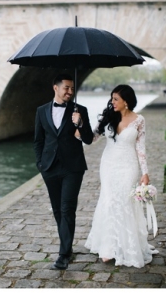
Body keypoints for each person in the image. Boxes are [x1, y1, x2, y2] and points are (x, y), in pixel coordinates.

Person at [84, 84, 157, 267]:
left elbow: (141, 149)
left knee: (124, 202)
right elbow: (91, 139)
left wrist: (145, 173)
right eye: (111, 98)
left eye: (116, 98)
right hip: (108, 165)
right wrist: (78, 125)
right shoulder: (109, 117)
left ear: (126, 101)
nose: (112, 102)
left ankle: (127, 247)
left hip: (128, 166)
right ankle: (108, 247)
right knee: (108, 200)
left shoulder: (139, 120)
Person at [33, 74, 94, 270]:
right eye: (66, 88)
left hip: (73, 168)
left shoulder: (80, 110)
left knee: (67, 208)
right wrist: (40, 164)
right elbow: (38, 141)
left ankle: (63, 254)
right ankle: (67, 245)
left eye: (72, 89)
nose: (70, 92)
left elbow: (88, 139)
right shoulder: (41, 111)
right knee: (58, 210)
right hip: (49, 168)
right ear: (55, 88)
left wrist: (80, 123)